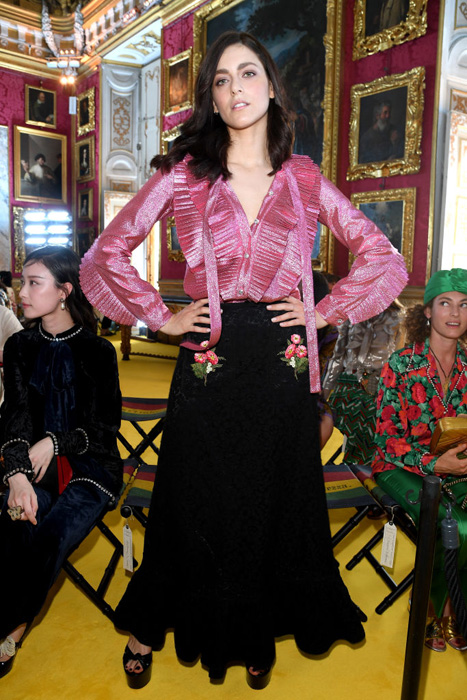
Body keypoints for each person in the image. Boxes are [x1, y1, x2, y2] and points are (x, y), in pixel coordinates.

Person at [80, 31, 407, 689]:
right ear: (210, 97)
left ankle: (253, 630)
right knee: (188, 499)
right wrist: (161, 316)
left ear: (271, 87)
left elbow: (381, 256)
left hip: (283, 363)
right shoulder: (183, 175)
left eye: (248, 73)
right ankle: (147, 628)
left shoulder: (305, 178)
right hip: (209, 359)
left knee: (269, 503)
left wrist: (324, 310)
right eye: (221, 79)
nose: (235, 88)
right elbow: (106, 253)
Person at [0, 246, 123, 678]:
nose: (21, 292)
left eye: (34, 283)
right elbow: (14, 416)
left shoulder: (98, 351)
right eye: (23, 282)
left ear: (64, 291)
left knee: (49, 537)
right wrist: (16, 476)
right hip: (31, 467)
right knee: (14, 523)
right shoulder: (19, 345)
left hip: (92, 468)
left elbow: (104, 429)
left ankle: (11, 629)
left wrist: (55, 442)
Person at [372, 268, 467, 652]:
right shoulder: (401, 364)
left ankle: (455, 606)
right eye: (445, 303)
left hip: (458, 466)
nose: (455, 313)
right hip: (399, 466)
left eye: (464, 305)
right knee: (454, 526)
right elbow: (385, 441)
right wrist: (434, 465)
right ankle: (433, 611)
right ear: (427, 311)